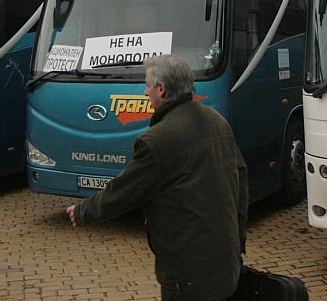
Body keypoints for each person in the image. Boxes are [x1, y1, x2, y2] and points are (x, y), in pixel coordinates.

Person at [66, 54, 248, 300]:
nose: (144, 92)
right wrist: (238, 241)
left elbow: (122, 193)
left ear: (161, 89)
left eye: (147, 85)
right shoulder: (218, 122)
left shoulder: (157, 140)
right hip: (226, 260)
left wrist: (82, 211)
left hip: (187, 271)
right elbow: (240, 180)